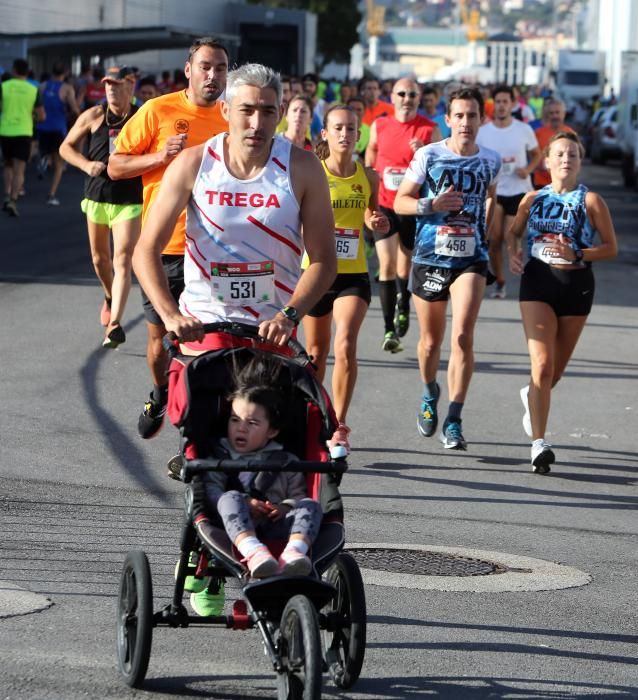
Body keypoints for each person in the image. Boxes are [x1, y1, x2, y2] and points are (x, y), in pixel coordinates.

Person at [132, 62, 336, 352]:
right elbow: (145, 249)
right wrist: (171, 315)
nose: (257, 123)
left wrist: (288, 316)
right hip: (205, 324)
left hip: (270, 327)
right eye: (247, 110)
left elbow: (324, 260)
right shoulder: (193, 163)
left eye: (268, 112)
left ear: (279, 112)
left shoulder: (303, 168)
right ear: (226, 110)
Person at [108, 37, 229, 437]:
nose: (213, 76)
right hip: (165, 247)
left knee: (210, 345)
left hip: (215, 252)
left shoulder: (234, 117)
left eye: (221, 68)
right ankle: (161, 392)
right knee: (161, 341)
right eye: (206, 67)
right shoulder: (158, 110)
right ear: (188, 70)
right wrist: (160, 158)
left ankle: (194, 434)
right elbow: (115, 166)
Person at [394, 86, 501, 451]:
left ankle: (454, 418)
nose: (466, 122)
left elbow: (490, 201)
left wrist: (490, 241)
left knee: (462, 337)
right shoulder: (429, 155)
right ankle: (429, 392)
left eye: (472, 116)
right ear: (448, 119)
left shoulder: (491, 160)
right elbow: (400, 201)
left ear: (481, 119)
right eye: (459, 115)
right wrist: (432, 203)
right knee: (429, 343)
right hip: (429, 258)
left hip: (472, 258)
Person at [505, 131, 617, 473]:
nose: (566, 159)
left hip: (577, 285)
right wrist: (513, 251)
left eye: (573, 154)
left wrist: (579, 252)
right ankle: (539, 444)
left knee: (553, 372)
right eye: (560, 154)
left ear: (580, 162)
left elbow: (611, 248)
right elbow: (513, 232)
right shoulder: (531, 199)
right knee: (541, 364)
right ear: (548, 162)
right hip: (538, 282)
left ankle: (532, 395)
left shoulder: (592, 201)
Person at [186, 356, 323, 616]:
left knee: (310, 505)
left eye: (252, 423)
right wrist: (246, 503)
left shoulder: (286, 460)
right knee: (228, 497)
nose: (241, 428)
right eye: (235, 420)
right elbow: (212, 494)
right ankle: (254, 551)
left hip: (277, 526)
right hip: (232, 527)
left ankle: (295, 552)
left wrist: (284, 508)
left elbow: (297, 494)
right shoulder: (219, 457)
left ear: (272, 431)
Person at [302, 104, 389, 455]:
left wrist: (375, 222)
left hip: (353, 273)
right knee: (316, 353)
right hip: (316, 272)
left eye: (351, 129)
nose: (344, 134)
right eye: (337, 128)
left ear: (358, 135)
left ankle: (338, 425)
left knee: (345, 344)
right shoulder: (313, 172)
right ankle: (312, 419)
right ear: (325, 133)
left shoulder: (368, 176)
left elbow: (370, 213)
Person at [59, 66, 143, 349]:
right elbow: (66, 146)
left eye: (117, 84)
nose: (110, 88)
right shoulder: (94, 115)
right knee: (99, 259)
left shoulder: (141, 116)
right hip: (96, 196)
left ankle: (115, 324)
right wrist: (86, 165)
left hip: (130, 200)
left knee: (122, 260)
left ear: (130, 86)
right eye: (107, 83)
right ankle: (109, 296)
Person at [366, 78, 440, 351]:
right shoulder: (380, 124)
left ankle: (403, 304)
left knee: (403, 267)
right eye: (402, 94)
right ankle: (388, 330)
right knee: (385, 265)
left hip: (411, 205)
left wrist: (424, 153)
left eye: (412, 94)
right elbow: (372, 149)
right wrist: (369, 170)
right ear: (392, 96)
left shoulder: (429, 129)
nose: (406, 98)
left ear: (419, 98)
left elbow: (440, 168)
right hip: (384, 203)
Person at [476, 84, 541, 299]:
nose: (502, 106)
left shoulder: (524, 129)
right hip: (494, 191)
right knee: (494, 240)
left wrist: (528, 170)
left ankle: (518, 267)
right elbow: (475, 158)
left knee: (509, 235)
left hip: (519, 191)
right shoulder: (483, 132)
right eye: (498, 102)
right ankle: (500, 281)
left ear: (513, 104)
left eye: (506, 102)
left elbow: (537, 154)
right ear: (493, 105)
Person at [1, 58, 45, 217]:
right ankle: (13, 199)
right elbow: (41, 116)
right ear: (27, 72)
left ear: (13, 70)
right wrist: (30, 115)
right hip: (24, 132)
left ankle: (6, 195)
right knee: (20, 169)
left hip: (5, 131)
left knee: (8, 165)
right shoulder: (33, 89)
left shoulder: (3, 87)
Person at [37, 62, 80, 206]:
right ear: (65, 73)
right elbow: (74, 109)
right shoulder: (67, 88)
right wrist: (75, 117)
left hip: (42, 127)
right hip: (58, 128)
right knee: (59, 163)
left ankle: (44, 160)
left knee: (46, 151)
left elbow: (37, 105)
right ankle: (51, 194)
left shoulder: (42, 86)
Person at [532, 99, 574, 188]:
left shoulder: (570, 134)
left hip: (564, 183)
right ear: (547, 115)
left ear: (564, 114)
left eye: (557, 112)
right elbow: (533, 157)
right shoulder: (538, 133)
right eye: (551, 113)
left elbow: (576, 158)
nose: (555, 116)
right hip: (542, 183)